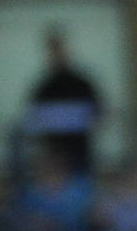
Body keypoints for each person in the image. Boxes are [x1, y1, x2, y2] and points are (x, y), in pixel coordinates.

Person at [28, 27, 103, 174]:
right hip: (53, 152)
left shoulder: (82, 83)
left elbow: (99, 111)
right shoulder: (43, 86)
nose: (56, 55)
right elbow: (33, 116)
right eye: (52, 51)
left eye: (59, 50)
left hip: (80, 149)